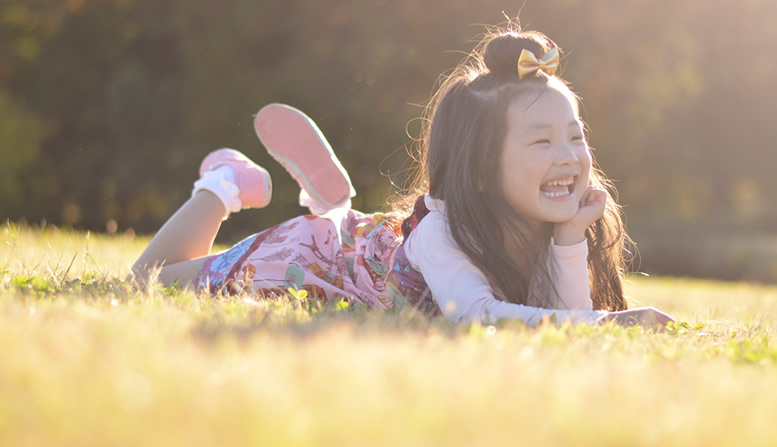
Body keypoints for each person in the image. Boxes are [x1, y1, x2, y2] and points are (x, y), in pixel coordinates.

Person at [131, 27, 673, 328]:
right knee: (147, 279)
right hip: (314, 260)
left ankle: (336, 206)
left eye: (576, 137)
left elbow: (561, 317)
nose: (569, 157)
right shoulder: (444, 233)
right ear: (478, 171)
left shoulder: (545, 222)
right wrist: (603, 326)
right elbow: (475, 315)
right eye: (541, 140)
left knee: (361, 233)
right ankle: (224, 183)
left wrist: (570, 238)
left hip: (376, 254)